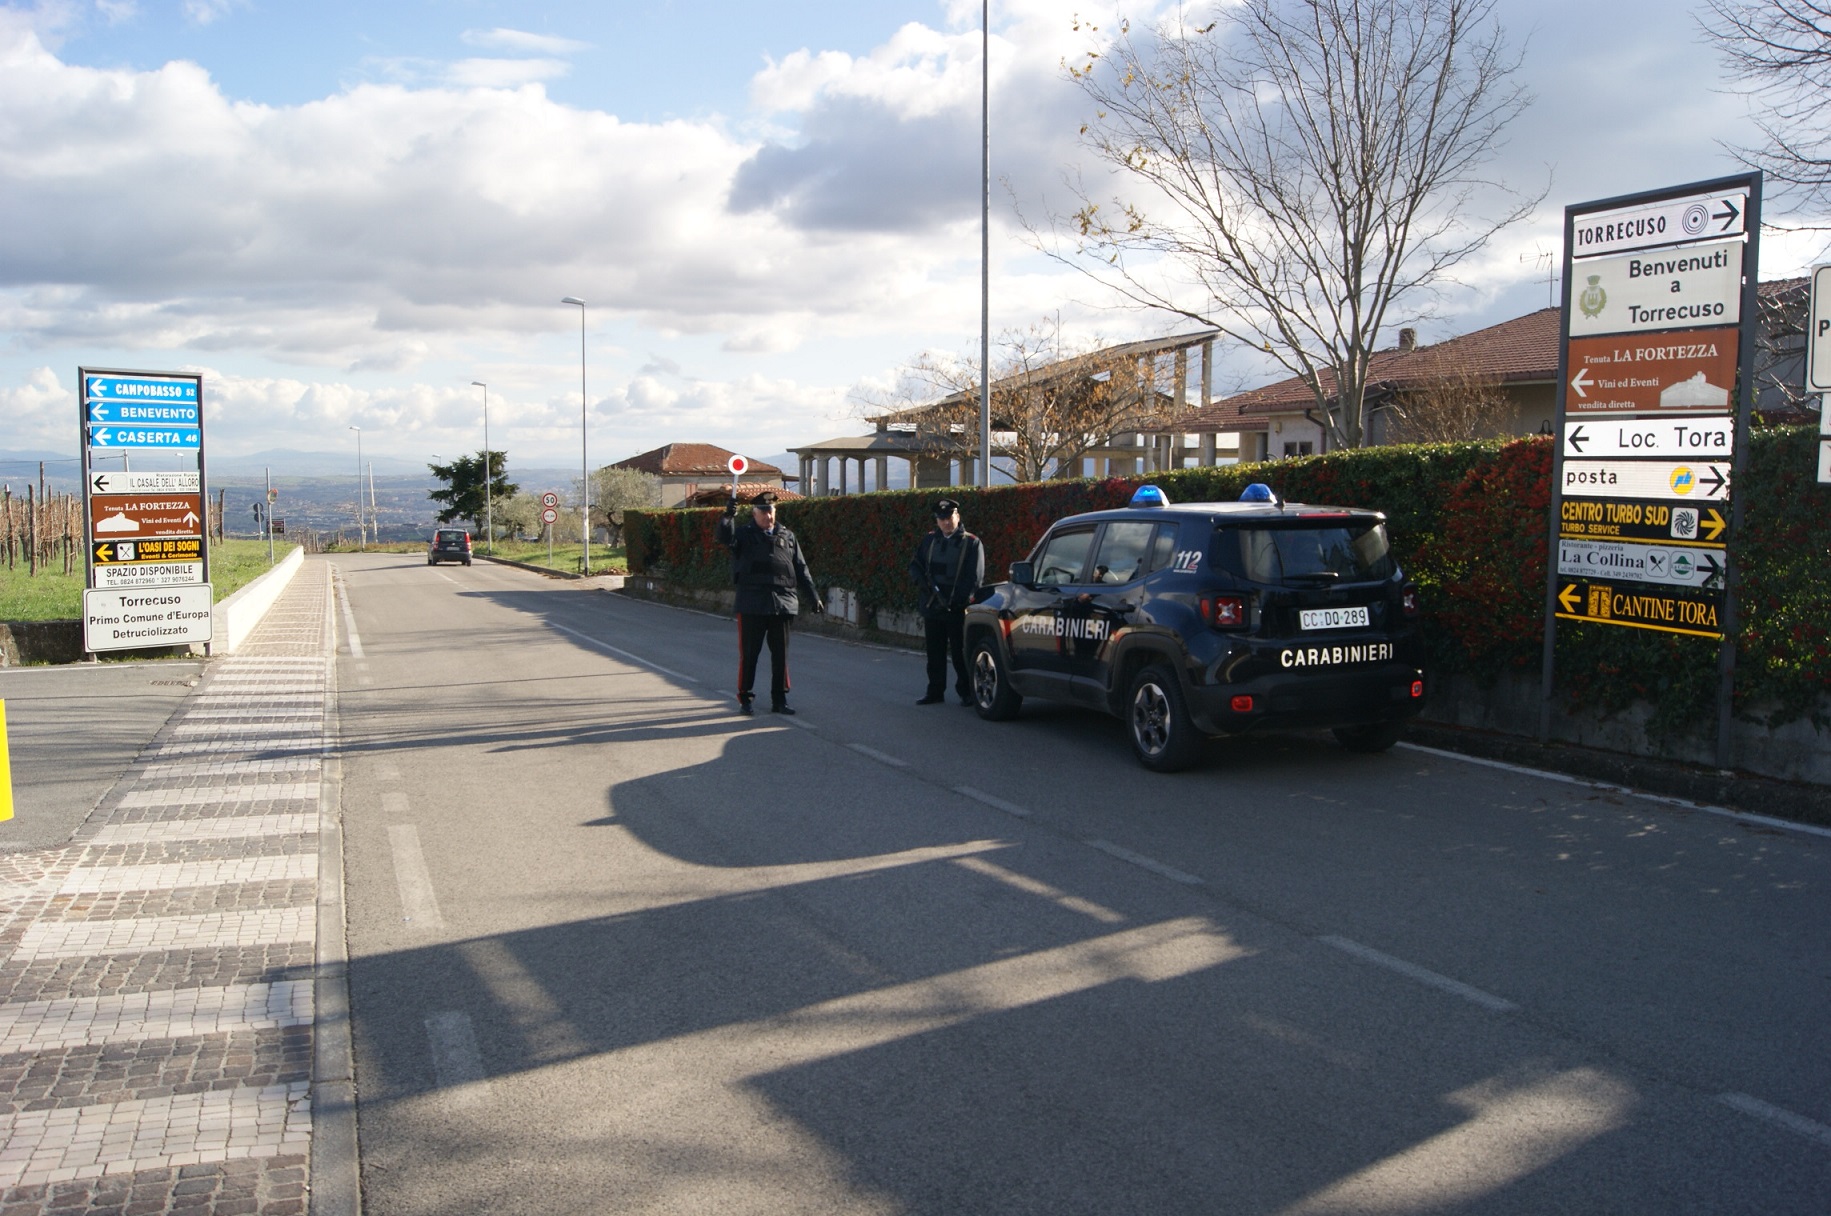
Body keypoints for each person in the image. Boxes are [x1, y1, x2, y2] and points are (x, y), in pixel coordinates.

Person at [716, 490, 822, 715]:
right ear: (754, 514)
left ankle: (779, 699)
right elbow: (725, 539)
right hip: (752, 604)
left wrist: (813, 595)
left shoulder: (788, 536)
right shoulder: (743, 535)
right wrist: (727, 517)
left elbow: (801, 569)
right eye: (763, 512)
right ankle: (745, 698)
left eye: (771, 512)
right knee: (750, 654)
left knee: (781, 655)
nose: (768, 517)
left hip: (782, 604)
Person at [908, 498, 985, 706]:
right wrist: (923, 585)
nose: (945, 523)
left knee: (961, 654)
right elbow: (915, 565)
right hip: (933, 607)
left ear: (957, 516)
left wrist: (959, 601)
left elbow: (974, 579)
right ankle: (935, 691)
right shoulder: (930, 540)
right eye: (941, 519)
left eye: (949, 517)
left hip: (957, 610)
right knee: (934, 654)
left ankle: (967, 692)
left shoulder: (971, 543)